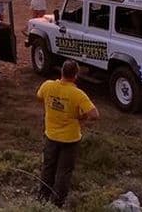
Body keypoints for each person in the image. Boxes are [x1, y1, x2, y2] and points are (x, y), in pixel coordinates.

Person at [37, 60, 99, 207]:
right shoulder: (78, 94)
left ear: (62, 72)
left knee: (48, 167)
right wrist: (81, 116)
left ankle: (42, 199)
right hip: (70, 139)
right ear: (76, 75)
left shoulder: (47, 86)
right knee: (63, 172)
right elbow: (95, 114)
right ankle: (57, 204)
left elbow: (39, 96)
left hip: (51, 136)